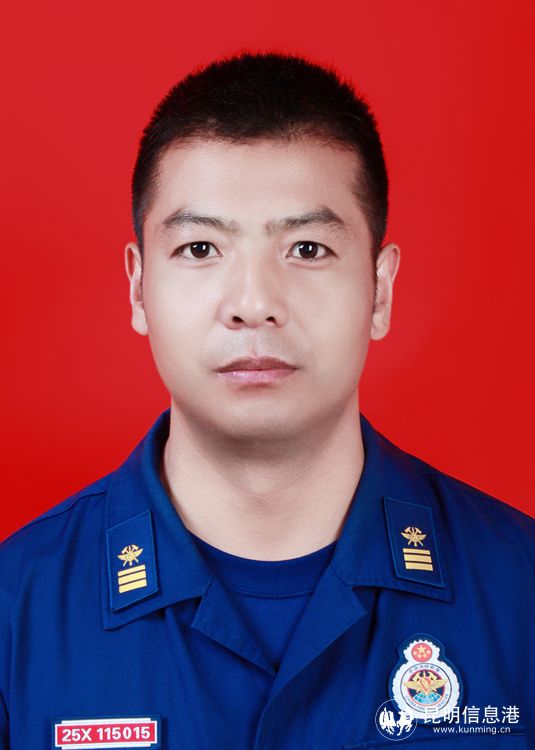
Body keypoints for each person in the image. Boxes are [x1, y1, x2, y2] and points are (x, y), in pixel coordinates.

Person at [0, 52, 533, 750]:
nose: (253, 304)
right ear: (137, 287)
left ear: (380, 291)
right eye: (200, 249)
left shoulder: (519, 591)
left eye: (307, 249)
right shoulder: (16, 609)